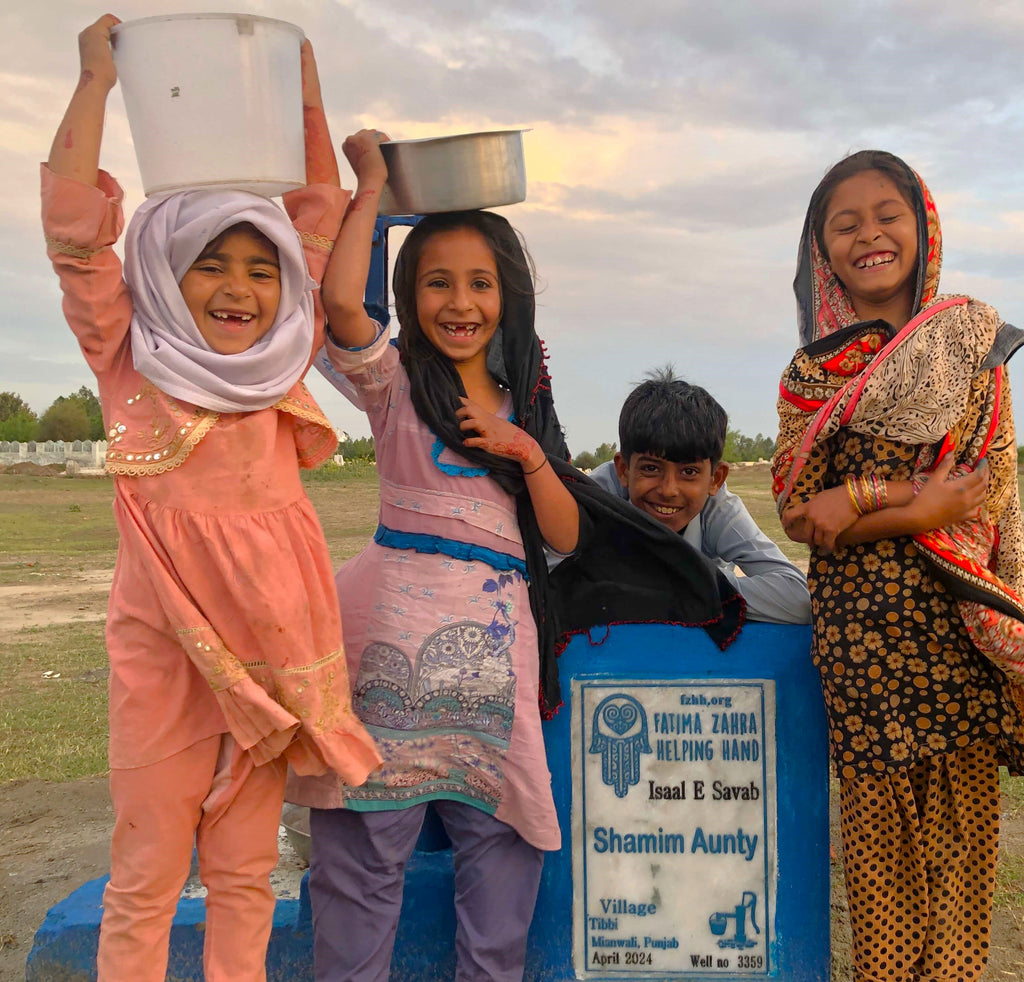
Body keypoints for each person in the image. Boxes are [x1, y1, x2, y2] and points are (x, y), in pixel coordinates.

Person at [288, 129, 744, 981]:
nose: (460, 302)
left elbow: (568, 537)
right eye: (436, 282)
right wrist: (374, 186)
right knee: (361, 871)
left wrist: (525, 451)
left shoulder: (527, 404)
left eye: (480, 282)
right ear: (411, 293)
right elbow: (341, 306)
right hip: (382, 668)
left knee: (503, 868)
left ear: (510, 297)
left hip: (497, 675)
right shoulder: (394, 386)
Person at [42, 17, 380, 981]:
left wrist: (303, 94)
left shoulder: (283, 361)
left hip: (270, 655)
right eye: (212, 265)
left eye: (258, 268)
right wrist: (96, 84)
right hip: (164, 663)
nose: (241, 288)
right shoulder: (130, 359)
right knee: (146, 873)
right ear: (163, 273)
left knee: (243, 876)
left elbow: (313, 218)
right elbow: (73, 237)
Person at [772, 149, 1024, 982]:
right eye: (844, 224)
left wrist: (865, 502)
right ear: (822, 251)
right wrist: (905, 503)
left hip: (953, 640)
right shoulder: (811, 374)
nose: (869, 235)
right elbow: (802, 513)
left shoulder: (971, 349)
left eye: (888, 215)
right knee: (878, 861)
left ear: (924, 227)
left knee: (957, 858)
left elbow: (981, 496)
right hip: (861, 649)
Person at [589, 368, 810, 624]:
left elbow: (798, 598)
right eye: (651, 468)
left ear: (715, 479)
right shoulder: (598, 497)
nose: (668, 489)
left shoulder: (715, 508)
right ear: (624, 470)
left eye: (689, 471)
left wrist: (687, 585)